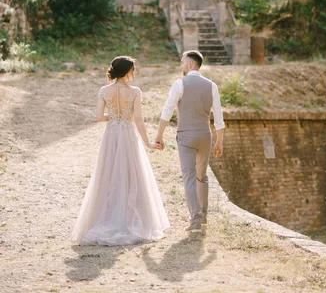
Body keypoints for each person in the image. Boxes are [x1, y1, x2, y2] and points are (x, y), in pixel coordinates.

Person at [71, 56, 170, 245]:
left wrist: (113, 117)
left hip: (111, 136)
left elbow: (99, 117)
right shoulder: (135, 92)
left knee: (107, 174)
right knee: (131, 174)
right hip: (128, 135)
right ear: (127, 71)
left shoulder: (104, 90)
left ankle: (106, 216)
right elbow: (138, 120)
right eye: (133, 70)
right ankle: (129, 217)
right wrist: (148, 143)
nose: (135, 73)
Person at [155, 50, 225, 232]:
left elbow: (167, 110)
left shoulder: (180, 84)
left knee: (189, 178)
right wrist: (219, 141)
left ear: (190, 64)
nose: (181, 65)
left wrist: (159, 135)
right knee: (202, 176)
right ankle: (205, 215)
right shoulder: (212, 86)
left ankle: (195, 220)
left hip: (186, 136)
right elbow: (218, 117)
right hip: (205, 136)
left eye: (182, 62)